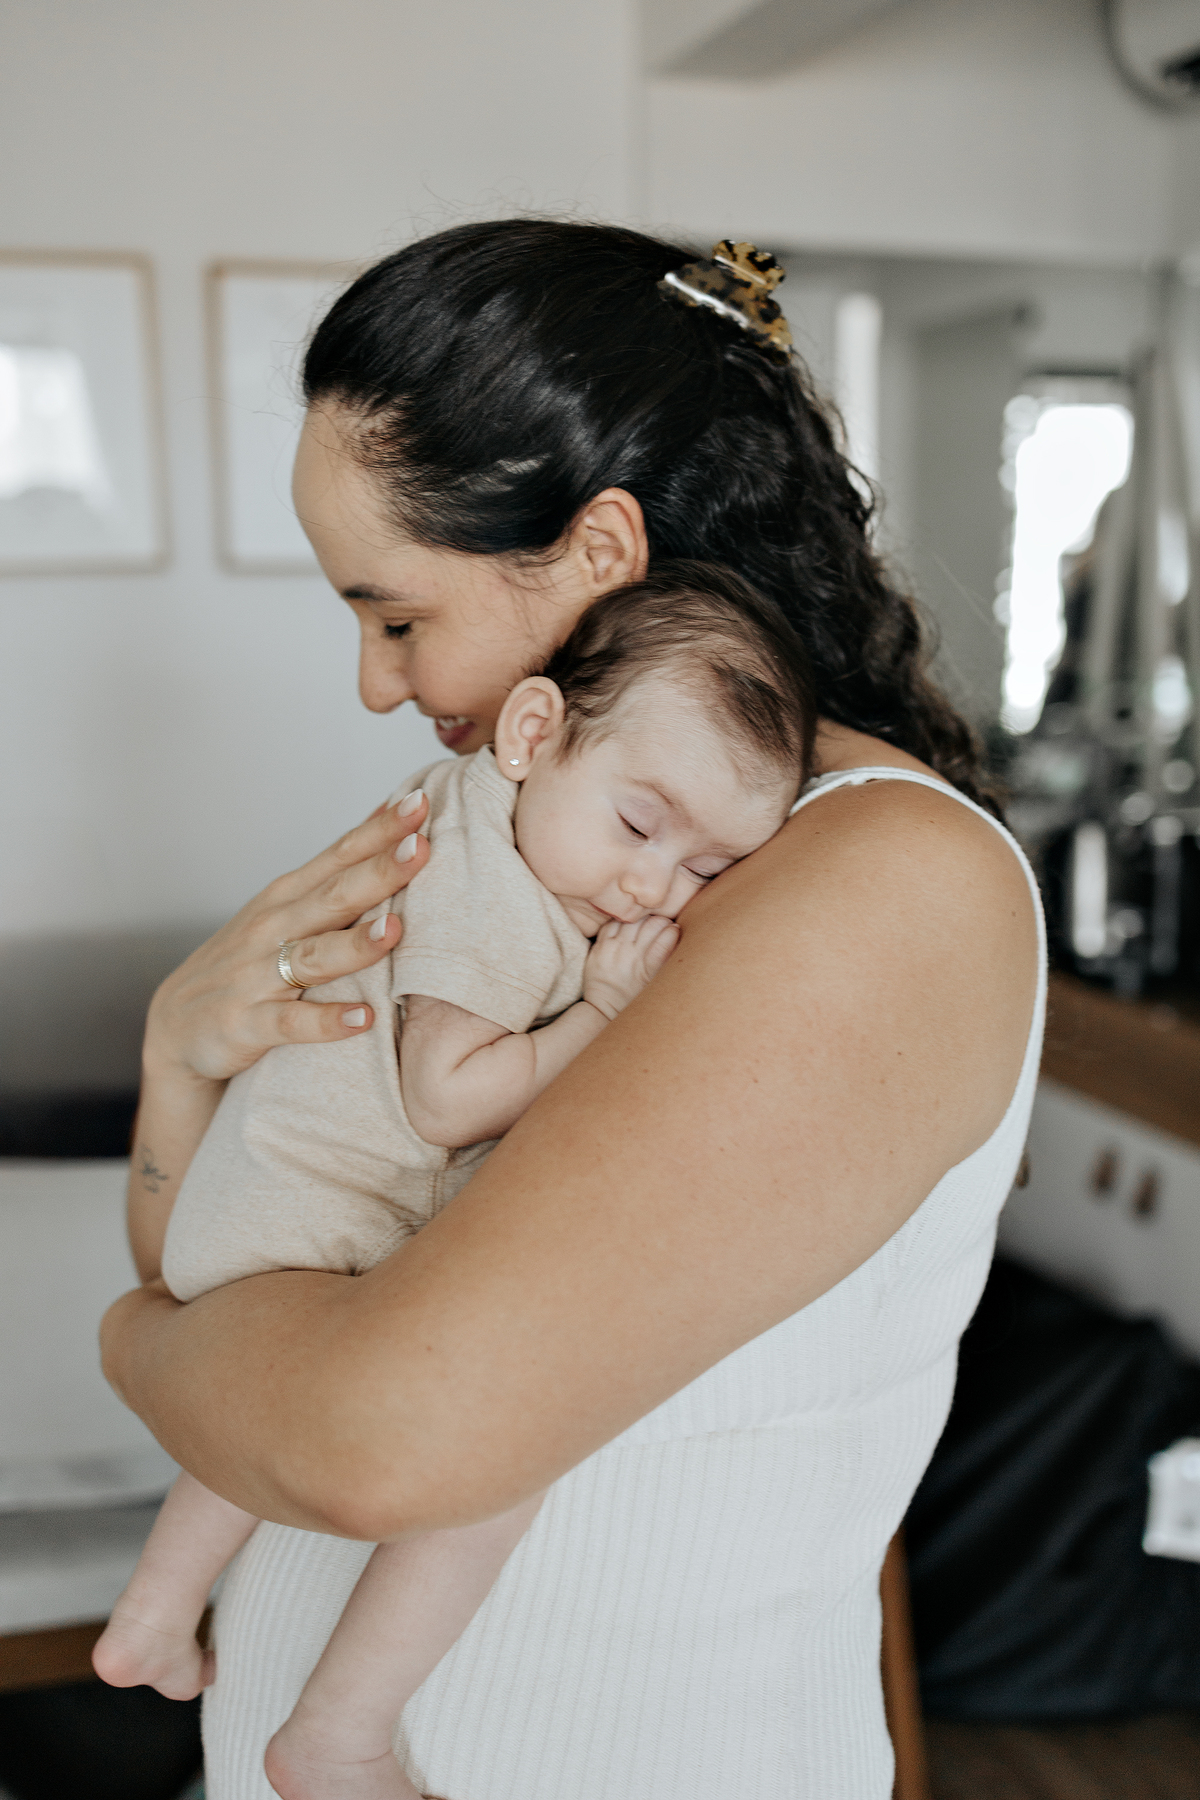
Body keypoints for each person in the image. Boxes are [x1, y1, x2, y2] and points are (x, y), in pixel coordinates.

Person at [100, 222, 1044, 1800]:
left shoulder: (876, 882)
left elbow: (368, 1433)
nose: (376, 684)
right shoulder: (557, 853)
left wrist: (138, 1349)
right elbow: (247, 1273)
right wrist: (179, 1061)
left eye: (397, 616)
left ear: (601, 549)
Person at [91, 567, 810, 1800]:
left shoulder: (498, 824)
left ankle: (152, 1617)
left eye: (707, 869)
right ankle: (339, 1731)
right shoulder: (492, 888)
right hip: (313, 1216)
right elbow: (447, 1097)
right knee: (498, 1467)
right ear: (532, 735)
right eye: (640, 828)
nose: (652, 888)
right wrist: (600, 1014)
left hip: (260, 1212)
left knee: (249, 1434)